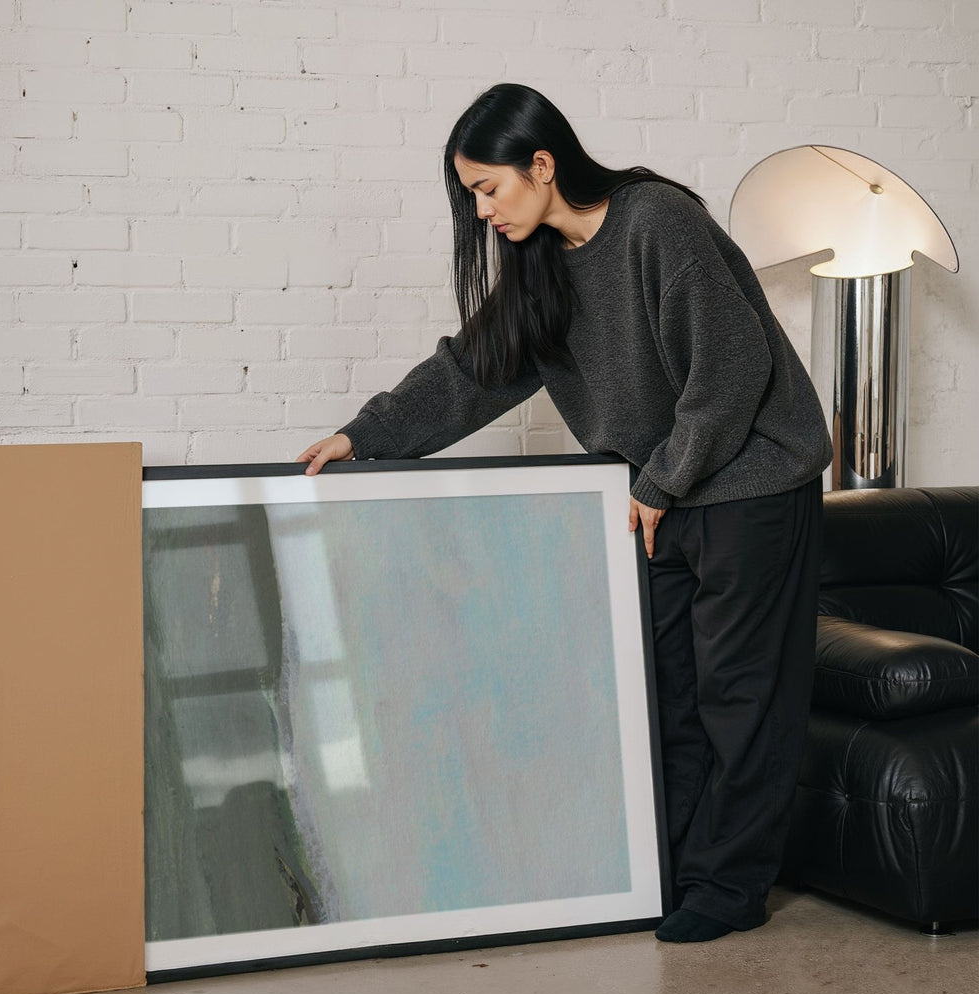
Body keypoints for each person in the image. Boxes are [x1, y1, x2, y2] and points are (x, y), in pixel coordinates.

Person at [297, 83, 833, 943]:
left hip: (750, 479)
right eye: (470, 196)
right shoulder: (542, 263)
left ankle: (728, 888)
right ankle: (675, 872)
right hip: (662, 492)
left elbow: (730, 371)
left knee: (742, 694)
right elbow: (474, 369)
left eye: (489, 189)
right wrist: (367, 435)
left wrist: (661, 481)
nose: (481, 213)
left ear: (542, 165)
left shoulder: (656, 222)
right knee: (669, 695)